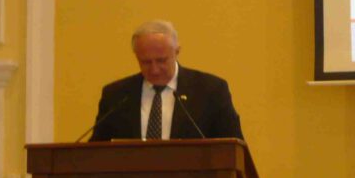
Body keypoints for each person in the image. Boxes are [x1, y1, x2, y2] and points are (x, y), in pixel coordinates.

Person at [89, 20, 244, 142]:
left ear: (177, 51)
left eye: (161, 60)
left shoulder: (210, 90)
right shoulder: (116, 95)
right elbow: (96, 152)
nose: (154, 70)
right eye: (146, 62)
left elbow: (233, 148)